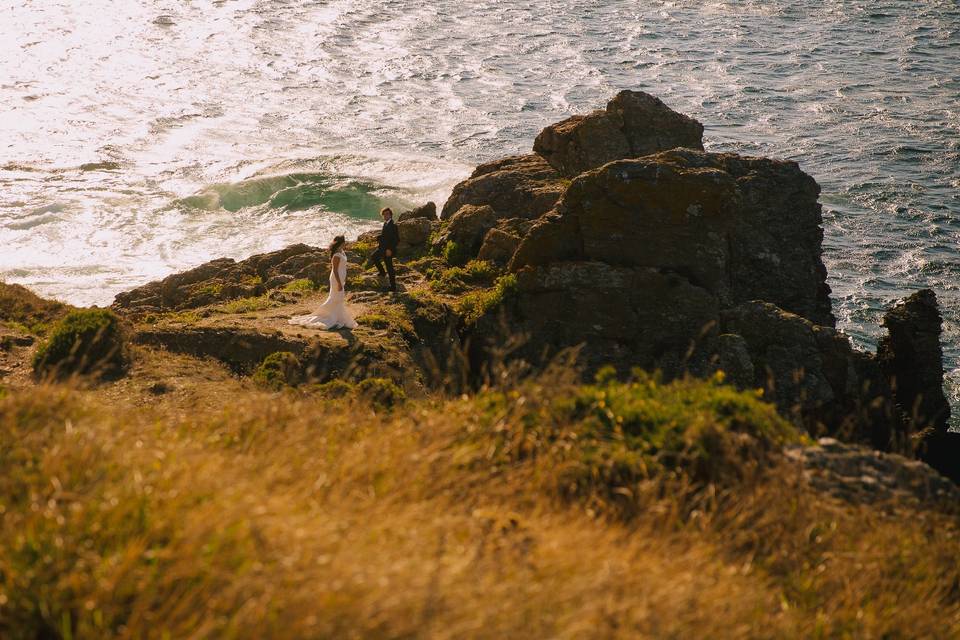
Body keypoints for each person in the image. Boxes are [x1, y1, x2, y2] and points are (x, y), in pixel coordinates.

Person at [288, 235, 356, 330]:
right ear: (341, 243)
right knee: (337, 297)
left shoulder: (342, 251)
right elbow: (335, 270)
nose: (345, 243)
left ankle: (337, 317)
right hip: (336, 278)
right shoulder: (336, 255)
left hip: (341, 277)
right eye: (344, 241)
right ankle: (328, 316)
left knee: (338, 298)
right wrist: (339, 283)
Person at [368, 207, 399, 292]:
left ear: (391, 215)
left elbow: (396, 239)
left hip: (388, 250)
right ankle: (382, 272)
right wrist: (378, 237)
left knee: (389, 267)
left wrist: (390, 249)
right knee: (374, 257)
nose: (385, 216)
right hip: (382, 248)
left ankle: (393, 287)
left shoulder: (393, 225)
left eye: (387, 214)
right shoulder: (385, 224)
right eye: (384, 214)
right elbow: (386, 236)